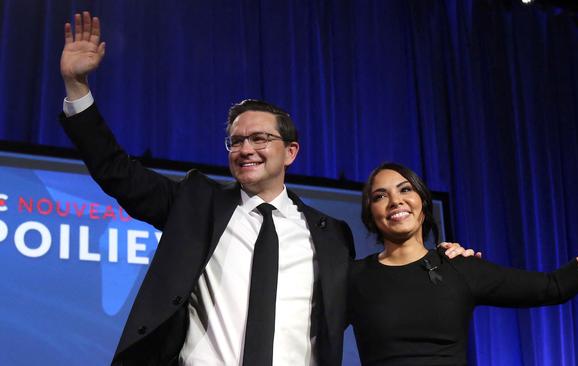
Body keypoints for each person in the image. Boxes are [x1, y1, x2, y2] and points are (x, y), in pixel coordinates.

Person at [58, 12, 474, 366]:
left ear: (290, 152)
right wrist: (78, 89)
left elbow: (382, 287)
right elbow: (117, 172)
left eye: (259, 139)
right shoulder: (196, 203)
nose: (245, 149)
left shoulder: (331, 236)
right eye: (236, 141)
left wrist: (441, 261)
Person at [348, 162, 578, 365]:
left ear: (423, 203)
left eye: (405, 189)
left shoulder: (457, 266)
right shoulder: (355, 278)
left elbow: (554, 287)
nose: (395, 201)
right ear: (370, 214)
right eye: (379, 196)